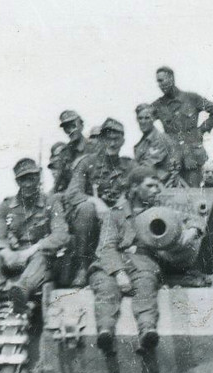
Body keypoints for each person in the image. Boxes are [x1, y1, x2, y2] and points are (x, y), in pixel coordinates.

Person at [90, 167, 204, 353]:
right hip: (111, 264)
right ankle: (105, 332)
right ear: (134, 188)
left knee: (145, 284)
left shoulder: (160, 211)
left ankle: (147, 331)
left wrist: (192, 230)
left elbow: (194, 218)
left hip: (142, 262)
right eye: (149, 186)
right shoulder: (115, 214)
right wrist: (118, 273)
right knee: (105, 287)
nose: (155, 190)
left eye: (157, 185)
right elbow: (106, 247)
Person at [0, 157, 70, 312]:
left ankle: (20, 293)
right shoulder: (6, 207)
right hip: (14, 259)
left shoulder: (51, 202)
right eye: (23, 180)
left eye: (31, 178)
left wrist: (31, 250)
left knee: (42, 257)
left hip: (39, 257)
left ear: (38, 177)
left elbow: (61, 235)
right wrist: (6, 253)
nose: (28, 184)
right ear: (17, 182)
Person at [65, 119, 133, 286]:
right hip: (92, 224)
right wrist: (95, 201)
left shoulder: (129, 165)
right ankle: (82, 266)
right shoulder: (87, 163)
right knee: (86, 208)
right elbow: (72, 193)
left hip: (118, 220)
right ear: (101, 140)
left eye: (116, 139)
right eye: (108, 138)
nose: (112, 143)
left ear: (123, 141)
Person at [150, 66, 213, 188]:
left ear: (171, 78)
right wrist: (161, 139)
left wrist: (201, 130)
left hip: (193, 156)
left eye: (162, 80)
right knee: (171, 195)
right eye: (158, 81)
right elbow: (145, 120)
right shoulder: (158, 105)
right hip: (172, 158)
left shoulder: (192, 98)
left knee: (193, 193)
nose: (160, 84)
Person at [133, 103, 181, 188]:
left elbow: (145, 168)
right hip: (148, 184)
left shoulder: (159, 139)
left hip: (161, 186)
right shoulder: (143, 141)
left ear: (154, 119)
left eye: (147, 118)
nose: (143, 121)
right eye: (140, 118)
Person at [54, 110, 90, 194]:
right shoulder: (64, 153)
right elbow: (59, 182)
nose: (70, 130)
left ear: (81, 125)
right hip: (71, 195)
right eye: (66, 128)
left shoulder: (93, 147)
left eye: (73, 126)